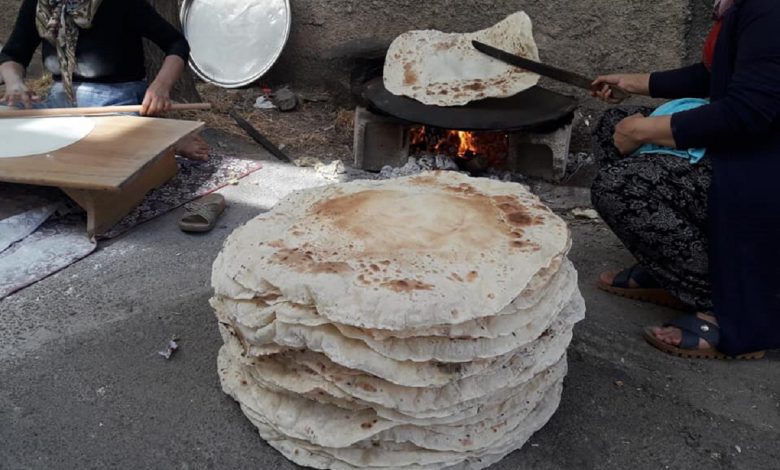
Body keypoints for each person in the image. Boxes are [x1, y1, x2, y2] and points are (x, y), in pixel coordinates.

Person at [589, 0, 780, 359]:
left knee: (621, 187)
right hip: (751, 150)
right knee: (609, 128)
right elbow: (718, 74)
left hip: (764, 169)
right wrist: (634, 82)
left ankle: (730, 305)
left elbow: (748, 113)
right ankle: (670, 270)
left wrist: (646, 130)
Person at [0, 0, 208, 161]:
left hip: (116, 101)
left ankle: (166, 140)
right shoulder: (41, 5)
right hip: (59, 102)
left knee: (102, 147)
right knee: (5, 118)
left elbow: (176, 43)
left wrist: (161, 86)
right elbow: (13, 55)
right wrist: (14, 83)